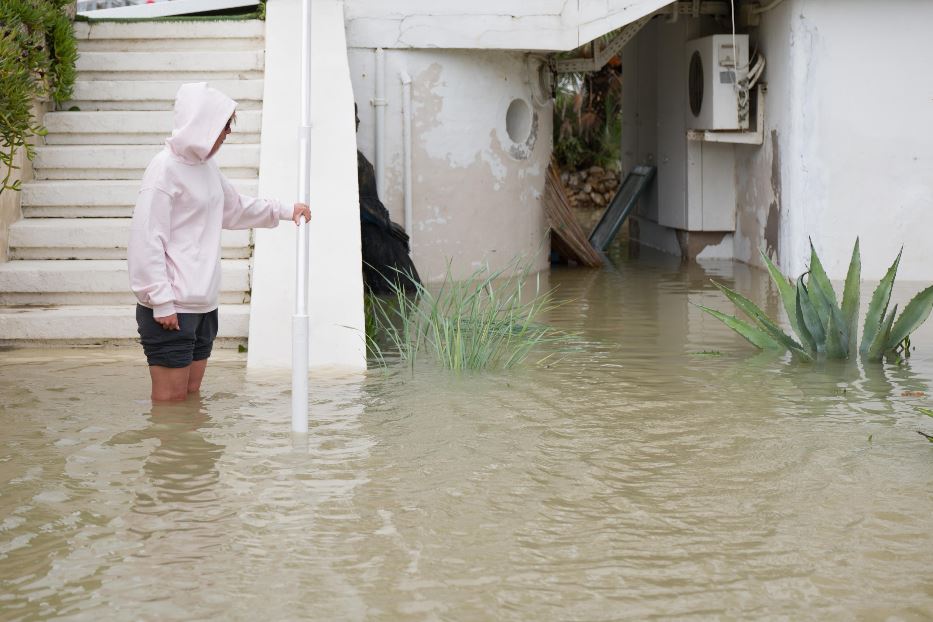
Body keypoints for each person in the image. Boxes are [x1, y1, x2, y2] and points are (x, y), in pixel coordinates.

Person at [129, 82, 310, 402]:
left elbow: (235, 208)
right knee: (170, 406)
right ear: (202, 125)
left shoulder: (206, 168)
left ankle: (196, 454)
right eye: (225, 126)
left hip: (204, 306)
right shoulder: (163, 171)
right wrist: (161, 300)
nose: (228, 133)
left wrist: (285, 210)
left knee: (190, 398)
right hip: (171, 309)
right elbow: (147, 239)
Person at [354, 104, 421, 294]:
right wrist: (387, 225)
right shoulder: (349, 158)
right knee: (401, 284)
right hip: (372, 232)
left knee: (407, 283)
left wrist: (387, 224)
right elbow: (356, 201)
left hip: (378, 227)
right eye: (354, 115)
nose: (358, 121)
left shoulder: (356, 156)